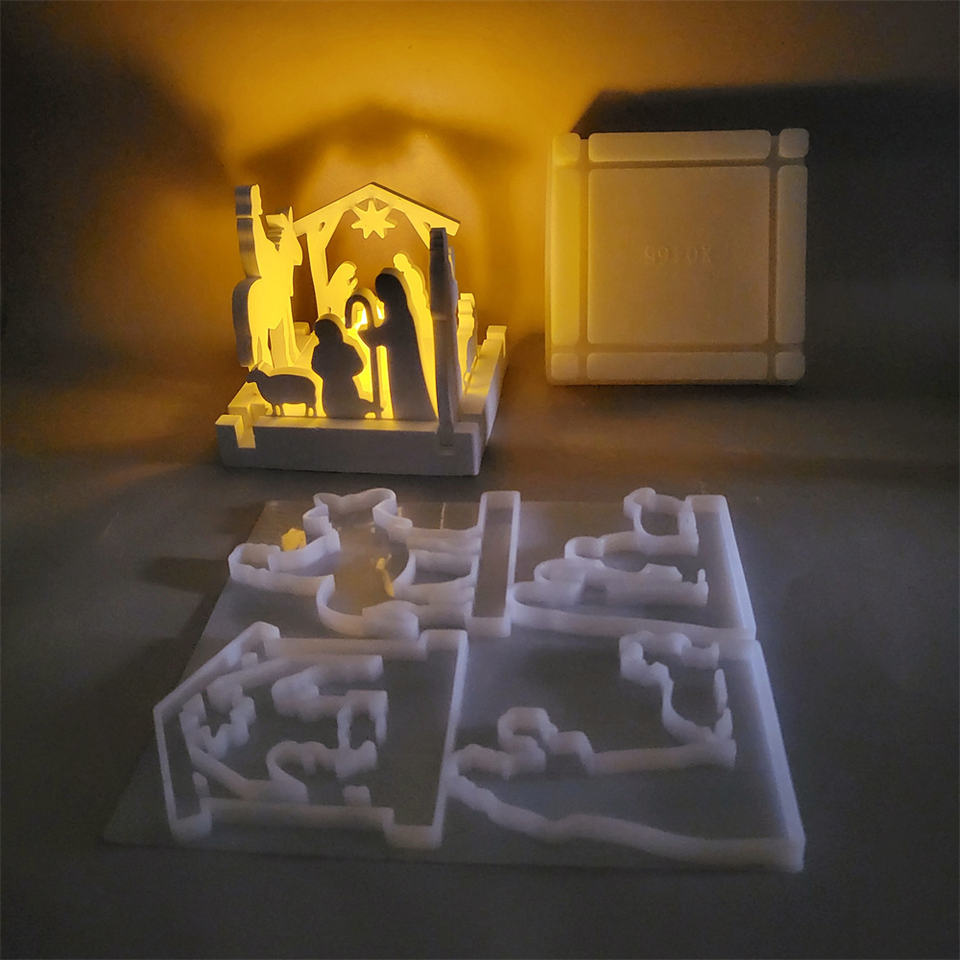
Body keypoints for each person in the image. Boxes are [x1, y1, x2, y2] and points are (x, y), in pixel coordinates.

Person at [360, 271, 434, 421]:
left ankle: (411, 416)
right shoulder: (394, 309)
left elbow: (388, 333)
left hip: (403, 365)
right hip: (398, 363)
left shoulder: (399, 313)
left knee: (406, 394)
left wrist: (367, 334)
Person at [310, 318, 376, 419]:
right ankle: (366, 407)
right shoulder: (320, 350)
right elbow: (315, 366)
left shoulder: (346, 348)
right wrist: (332, 375)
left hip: (343, 386)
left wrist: (340, 374)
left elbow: (358, 365)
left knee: (351, 405)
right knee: (343, 406)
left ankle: (366, 407)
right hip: (333, 389)